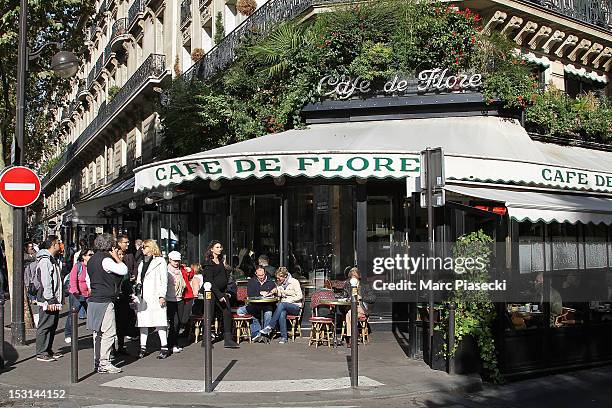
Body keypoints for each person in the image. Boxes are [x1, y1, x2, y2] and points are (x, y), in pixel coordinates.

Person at [86, 233, 128, 374]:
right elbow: (123, 270)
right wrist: (117, 258)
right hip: (104, 299)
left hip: (94, 299)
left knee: (96, 333)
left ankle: (98, 360)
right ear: (110, 246)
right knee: (109, 332)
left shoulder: (91, 260)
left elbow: (88, 279)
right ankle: (104, 362)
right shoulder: (106, 260)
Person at [135, 239, 170, 359]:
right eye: (142, 247)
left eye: (144, 246)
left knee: (160, 322)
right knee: (143, 322)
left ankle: (164, 347)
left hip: (155, 295)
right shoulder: (141, 262)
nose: (142, 248)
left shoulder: (160, 261)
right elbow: (139, 278)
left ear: (151, 247)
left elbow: (164, 280)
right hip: (143, 296)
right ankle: (142, 347)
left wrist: (162, 295)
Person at [201, 240, 240, 348]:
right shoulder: (208, 263)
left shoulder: (221, 261)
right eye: (217, 247)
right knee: (210, 315)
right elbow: (209, 281)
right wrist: (219, 295)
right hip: (212, 292)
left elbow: (225, 276)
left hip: (222, 292)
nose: (220, 249)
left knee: (227, 313)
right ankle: (206, 340)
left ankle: (228, 339)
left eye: (220, 247)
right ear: (212, 249)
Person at [35, 235, 64, 362]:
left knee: (52, 324)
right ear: (53, 244)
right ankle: (41, 352)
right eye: (58, 242)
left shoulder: (52, 259)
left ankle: (48, 349)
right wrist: (50, 299)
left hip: (54, 298)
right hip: (48, 298)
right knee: (45, 324)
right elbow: (46, 281)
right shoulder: (45, 260)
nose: (60, 244)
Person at [260, 267, 303, 344]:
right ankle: (284, 337)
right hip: (284, 306)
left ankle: (270, 326)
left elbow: (300, 296)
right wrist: (273, 292)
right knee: (282, 312)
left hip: (295, 306)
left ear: (285, 276)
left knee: (282, 304)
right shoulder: (280, 283)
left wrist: (288, 301)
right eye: (277, 278)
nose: (278, 280)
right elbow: (279, 294)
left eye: (280, 278)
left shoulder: (294, 282)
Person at [237, 264, 275, 342]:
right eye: (259, 275)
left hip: (266, 304)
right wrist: (261, 294)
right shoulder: (251, 282)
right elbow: (250, 294)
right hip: (254, 305)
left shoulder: (270, 282)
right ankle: (256, 332)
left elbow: (274, 294)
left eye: (262, 275)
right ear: (256, 274)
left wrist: (270, 293)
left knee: (268, 313)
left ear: (265, 273)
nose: (261, 277)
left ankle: (265, 334)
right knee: (240, 311)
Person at [64, 247, 93, 344]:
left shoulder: (92, 266)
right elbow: (72, 280)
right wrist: (76, 292)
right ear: (84, 256)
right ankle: (68, 334)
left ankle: (96, 333)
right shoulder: (78, 266)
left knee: (92, 313)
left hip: (88, 294)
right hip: (77, 294)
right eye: (90, 255)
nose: (92, 256)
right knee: (72, 314)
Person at [342, 267, 376, 348]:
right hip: (350, 308)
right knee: (349, 313)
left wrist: (361, 298)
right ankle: (354, 336)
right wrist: (347, 298)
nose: (353, 278)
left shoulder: (365, 286)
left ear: (358, 277)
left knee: (349, 314)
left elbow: (373, 298)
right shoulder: (347, 285)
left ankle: (351, 339)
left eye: (354, 276)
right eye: (351, 277)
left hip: (362, 308)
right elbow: (344, 296)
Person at [166, 251, 191, 353]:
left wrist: (189, 270)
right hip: (170, 299)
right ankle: (171, 344)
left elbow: (190, 274)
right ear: (170, 260)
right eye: (174, 261)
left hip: (180, 298)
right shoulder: (166, 270)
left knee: (180, 321)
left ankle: (173, 343)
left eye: (178, 261)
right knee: (174, 323)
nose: (176, 263)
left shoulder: (181, 270)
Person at [23, 241, 39, 327]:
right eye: (30, 247)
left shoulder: (35, 254)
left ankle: (33, 297)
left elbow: (37, 258)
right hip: (27, 277)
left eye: (32, 247)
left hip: (34, 277)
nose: (32, 248)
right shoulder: (25, 255)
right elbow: (25, 259)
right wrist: (31, 258)